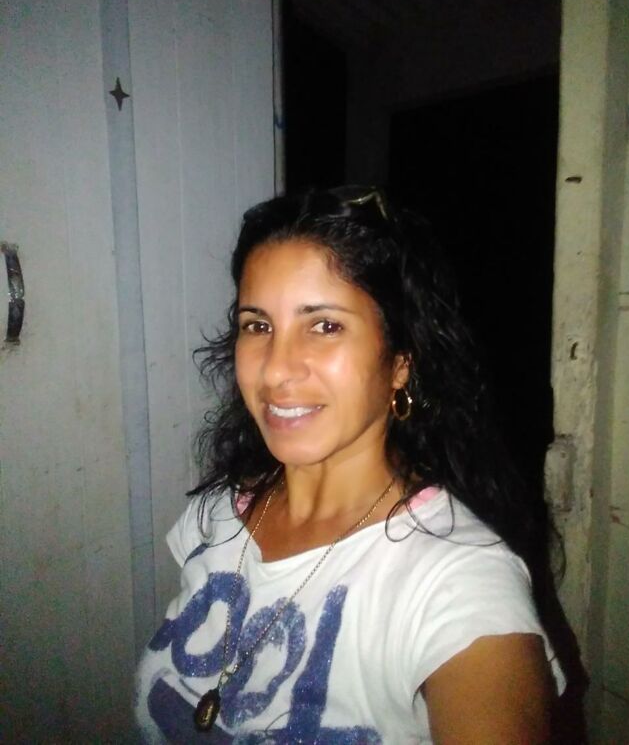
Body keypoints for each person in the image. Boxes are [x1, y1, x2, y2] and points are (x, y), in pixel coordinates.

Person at [136, 186, 564, 743]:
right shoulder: (219, 515)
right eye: (257, 325)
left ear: (401, 362)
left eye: (324, 325)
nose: (276, 370)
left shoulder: (457, 581)